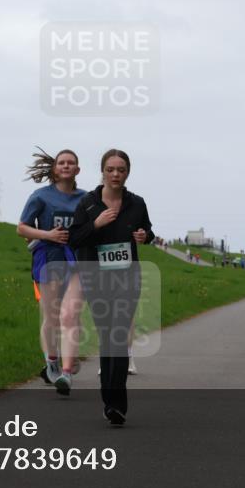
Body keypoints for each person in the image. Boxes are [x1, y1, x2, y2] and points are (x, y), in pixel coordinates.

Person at [69, 149, 154, 425]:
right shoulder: (87, 203)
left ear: (127, 172)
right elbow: (75, 239)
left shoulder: (137, 203)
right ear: (102, 171)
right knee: (108, 337)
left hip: (127, 277)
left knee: (118, 336)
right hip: (96, 277)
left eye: (121, 169)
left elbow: (148, 231)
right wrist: (96, 223)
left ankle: (115, 404)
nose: (116, 174)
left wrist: (145, 236)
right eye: (111, 169)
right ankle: (110, 397)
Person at [17, 148, 86, 396]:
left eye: (71, 163)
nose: (66, 166)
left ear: (77, 170)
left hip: (76, 259)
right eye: (62, 163)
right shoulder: (41, 197)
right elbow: (22, 229)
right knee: (51, 315)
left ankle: (67, 368)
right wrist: (48, 234)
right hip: (48, 257)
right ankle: (52, 363)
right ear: (55, 169)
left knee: (71, 315)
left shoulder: (85, 199)